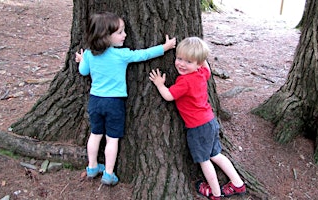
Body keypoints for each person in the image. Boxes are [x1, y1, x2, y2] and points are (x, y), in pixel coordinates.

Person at [75, 12, 176, 186]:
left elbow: (83, 71)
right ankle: (108, 173)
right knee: (112, 138)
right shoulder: (121, 55)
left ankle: (91, 167)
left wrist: (82, 60)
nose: (125, 35)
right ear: (106, 37)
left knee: (95, 134)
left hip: (95, 101)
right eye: (120, 32)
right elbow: (143, 54)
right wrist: (165, 48)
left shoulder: (91, 55)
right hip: (114, 103)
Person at [149, 37, 246, 199]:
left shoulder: (185, 82)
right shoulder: (201, 73)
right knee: (216, 155)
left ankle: (215, 193)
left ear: (198, 64)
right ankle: (238, 184)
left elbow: (169, 96)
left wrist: (160, 84)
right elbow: (206, 67)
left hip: (198, 128)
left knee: (204, 160)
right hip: (210, 122)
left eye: (188, 61)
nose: (181, 64)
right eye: (179, 58)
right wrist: (199, 56)